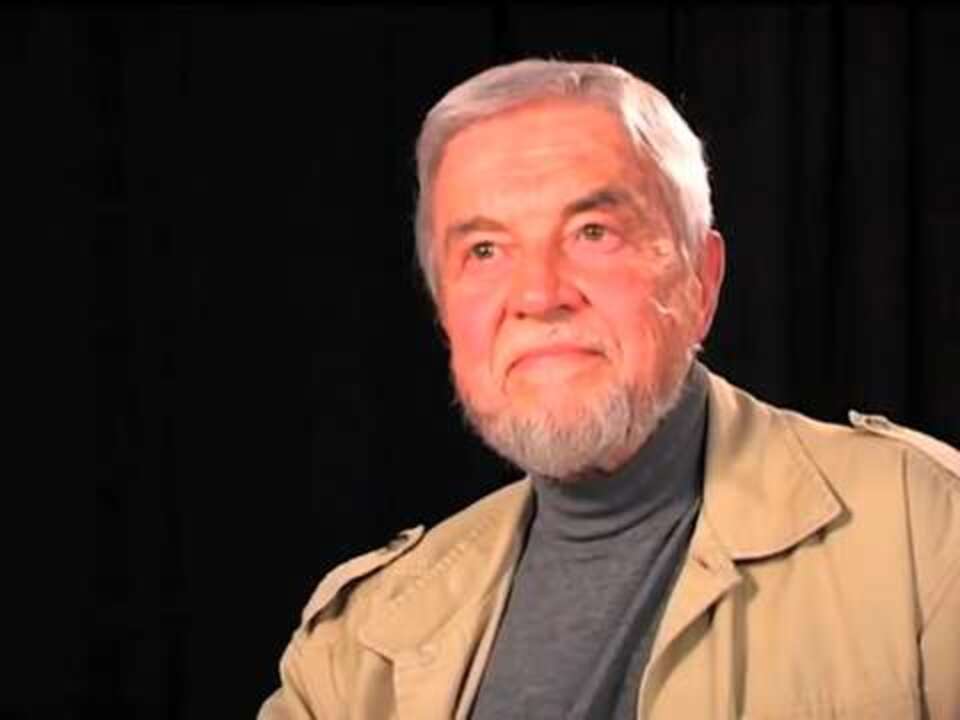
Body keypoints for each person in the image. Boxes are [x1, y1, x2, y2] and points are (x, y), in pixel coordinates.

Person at [259, 59, 959, 719]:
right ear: (446, 313)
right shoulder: (356, 648)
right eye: (484, 250)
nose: (538, 296)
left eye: (593, 232)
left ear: (701, 280)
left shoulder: (923, 532)